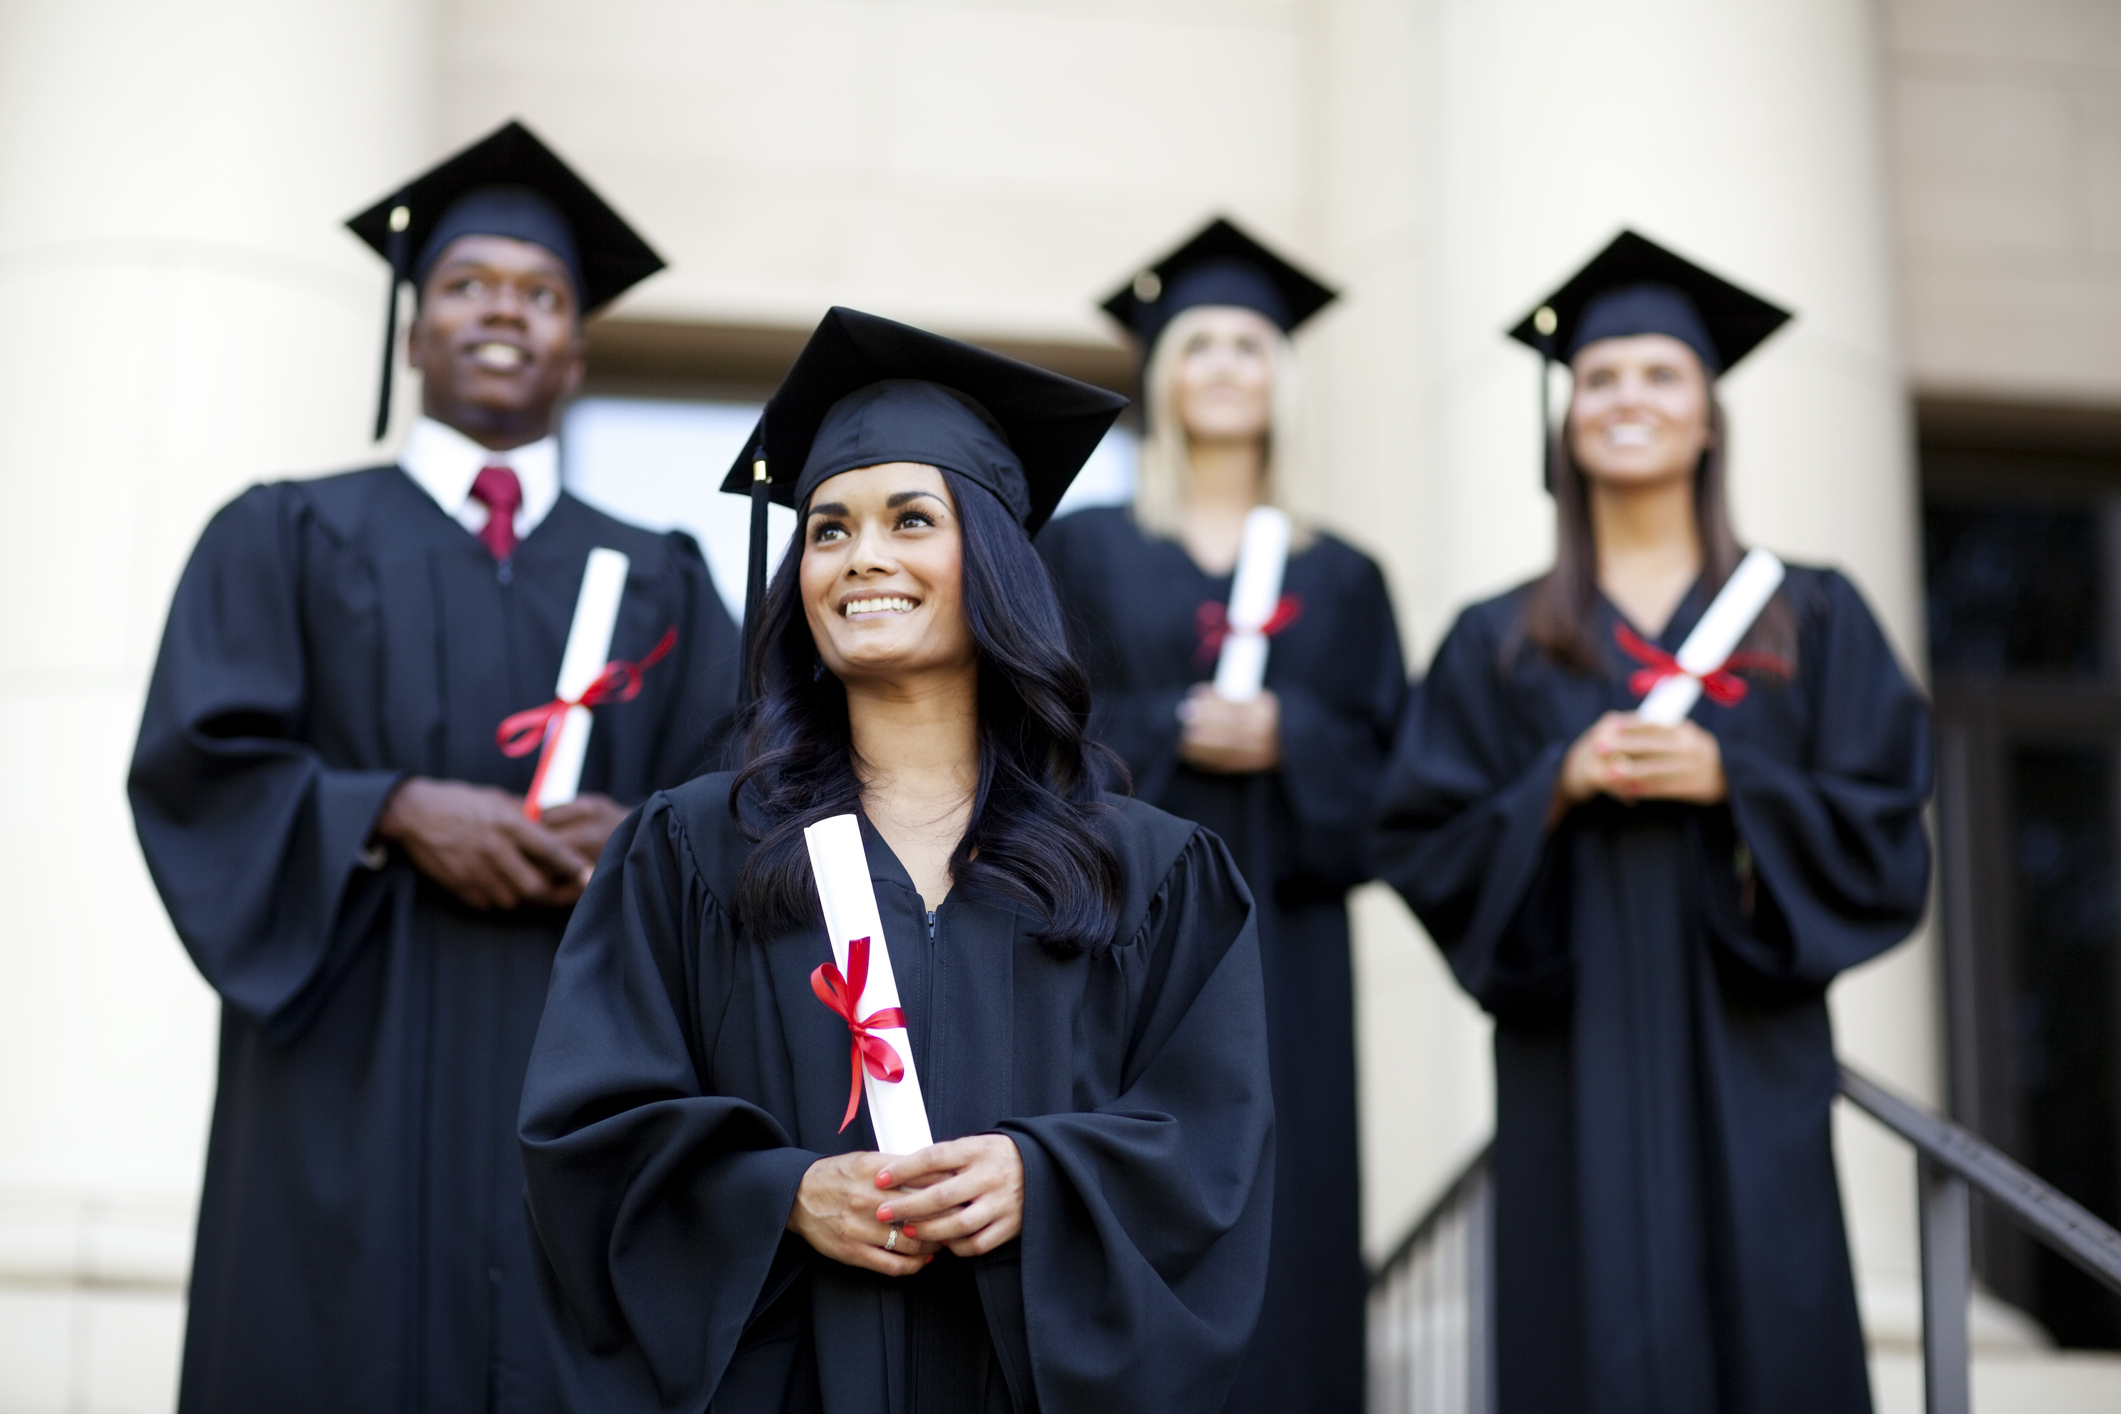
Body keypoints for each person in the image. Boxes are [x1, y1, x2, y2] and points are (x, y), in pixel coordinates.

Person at [518, 307, 1276, 1413]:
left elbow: (1213, 1150)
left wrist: (1043, 1180)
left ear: (996, 559)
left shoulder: (1148, 871)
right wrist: (778, 1195)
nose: (862, 556)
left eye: (910, 519)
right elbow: (586, 1136)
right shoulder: (692, 849)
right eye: (827, 530)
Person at [128, 120, 741, 1413]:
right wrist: (393, 808)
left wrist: (638, 840)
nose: (502, 313)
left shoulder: (663, 575)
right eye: (466, 285)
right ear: (412, 330)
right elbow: (198, 765)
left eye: (541, 293)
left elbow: (752, 802)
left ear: (578, 345)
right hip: (351, 1053)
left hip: (581, 1072)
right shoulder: (284, 534)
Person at [1373, 231, 1932, 1414]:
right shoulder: (1497, 639)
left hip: (1750, 1056)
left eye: (1660, 375)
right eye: (1601, 376)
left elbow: (1889, 820)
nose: (1628, 399)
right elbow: (1419, 836)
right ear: (1567, 415)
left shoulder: (1810, 617)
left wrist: (1735, 784)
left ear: (1709, 417)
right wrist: (1557, 784)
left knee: (1771, 1328)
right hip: (1570, 1060)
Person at [1036, 217, 1404, 1412]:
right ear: (1161, 375)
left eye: (1250, 346)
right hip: (1125, 938)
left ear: (1280, 377)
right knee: (1134, 1176)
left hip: (1284, 942)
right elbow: (1044, 730)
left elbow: (1397, 780)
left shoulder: (1342, 574)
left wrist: (1292, 739)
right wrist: (1167, 726)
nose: (1226, 368)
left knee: (1285, 1202)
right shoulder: (1087, 550)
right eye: (1200, 345)